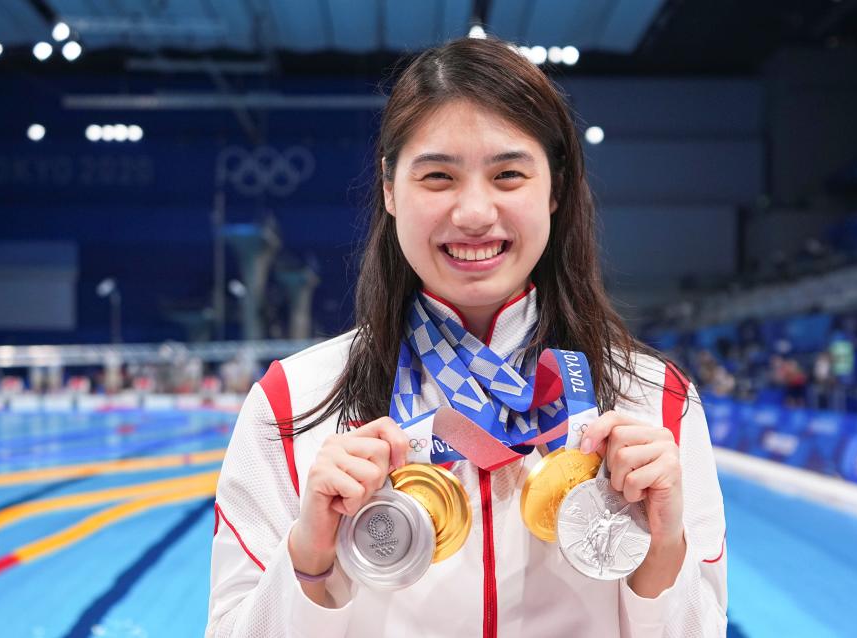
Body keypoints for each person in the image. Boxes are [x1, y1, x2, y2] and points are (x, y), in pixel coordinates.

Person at [206, 37, 726, 638]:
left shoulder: (656, 402)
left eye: (508, 174)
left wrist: (662, 550)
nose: (474, 212)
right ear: (389, 189)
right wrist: (311, 559)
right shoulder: (291, 405)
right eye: (438, 176)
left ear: (554, 188)